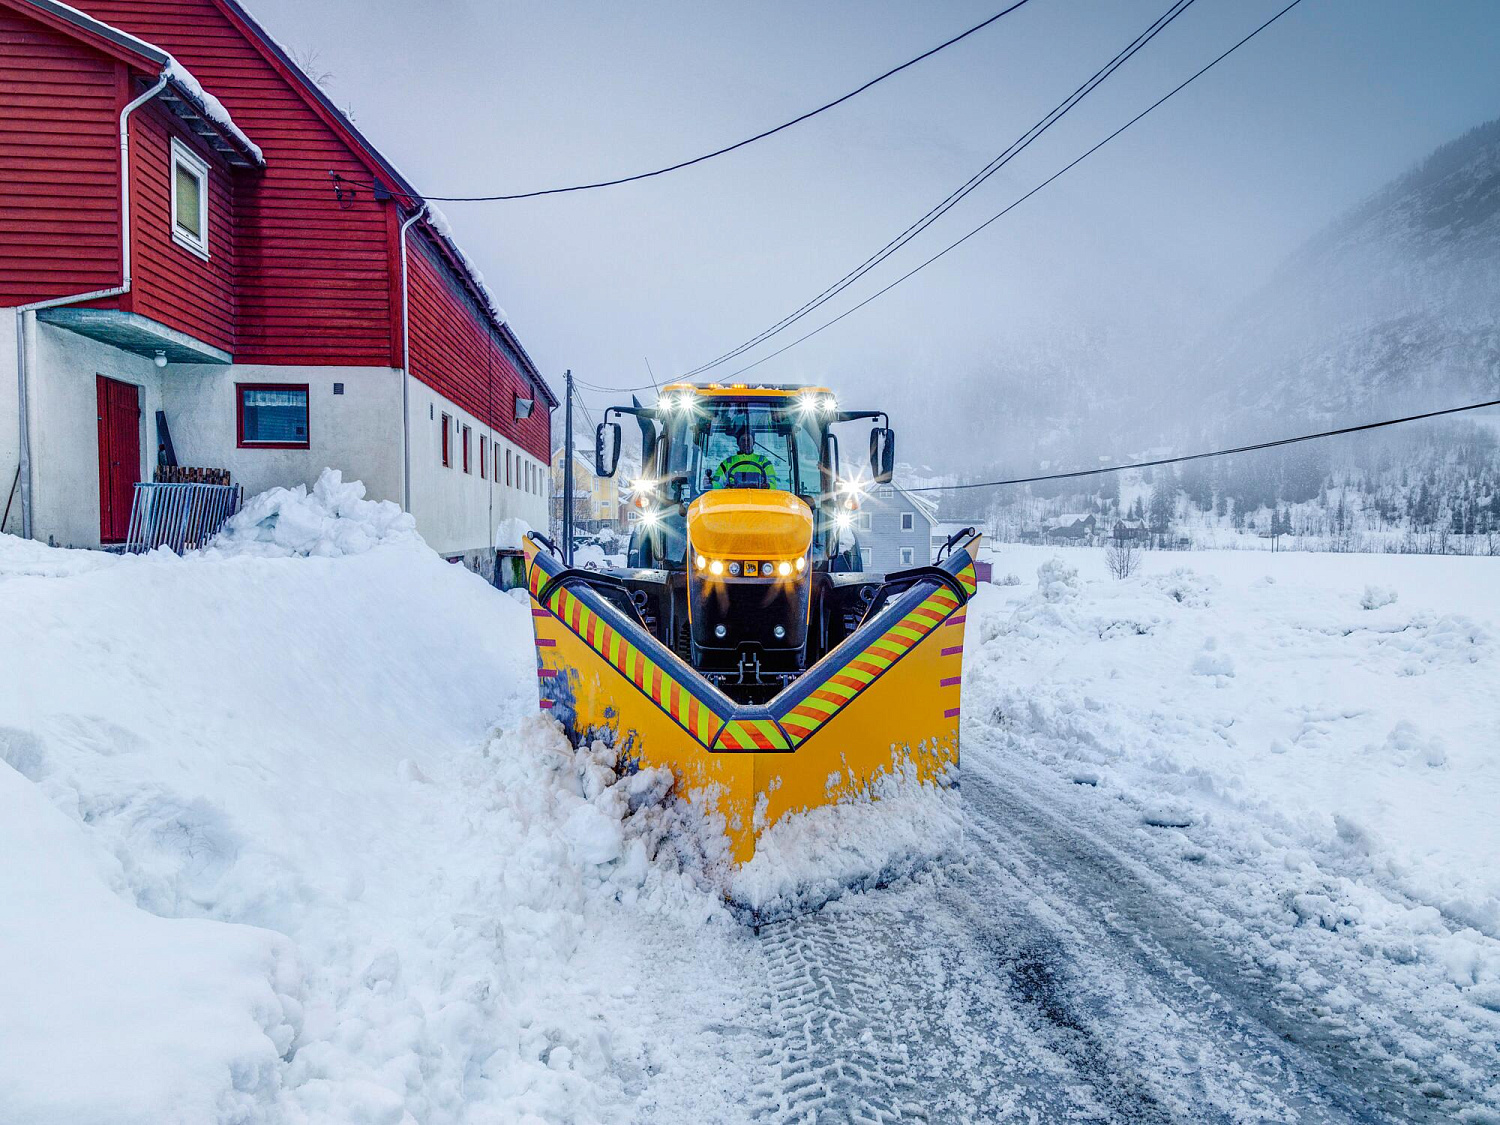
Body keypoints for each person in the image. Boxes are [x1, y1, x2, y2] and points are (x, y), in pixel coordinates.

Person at [712, 429, 779, 488]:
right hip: (732, 499)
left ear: (753, 443)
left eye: (749, 440)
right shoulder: (727, 463)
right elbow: (717, 483)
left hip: (759, 499)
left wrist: (767, 485)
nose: (746, 443)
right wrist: (710, 484)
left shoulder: (763, 462)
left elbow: (773, 483)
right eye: (743, 440)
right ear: (738, 443)